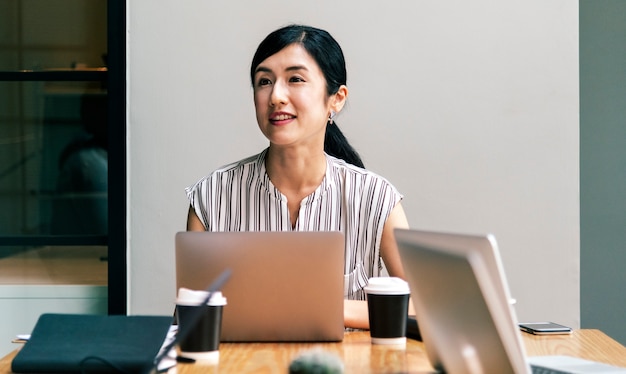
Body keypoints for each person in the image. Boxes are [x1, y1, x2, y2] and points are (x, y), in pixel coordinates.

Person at [185, 24, 409, 329]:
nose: (276, 95)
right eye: (264, 81)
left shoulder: (377, 199)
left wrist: (325, 307)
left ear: (337, 99)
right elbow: (192, 320)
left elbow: (422, 309)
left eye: (295, 79)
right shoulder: (211, 197)